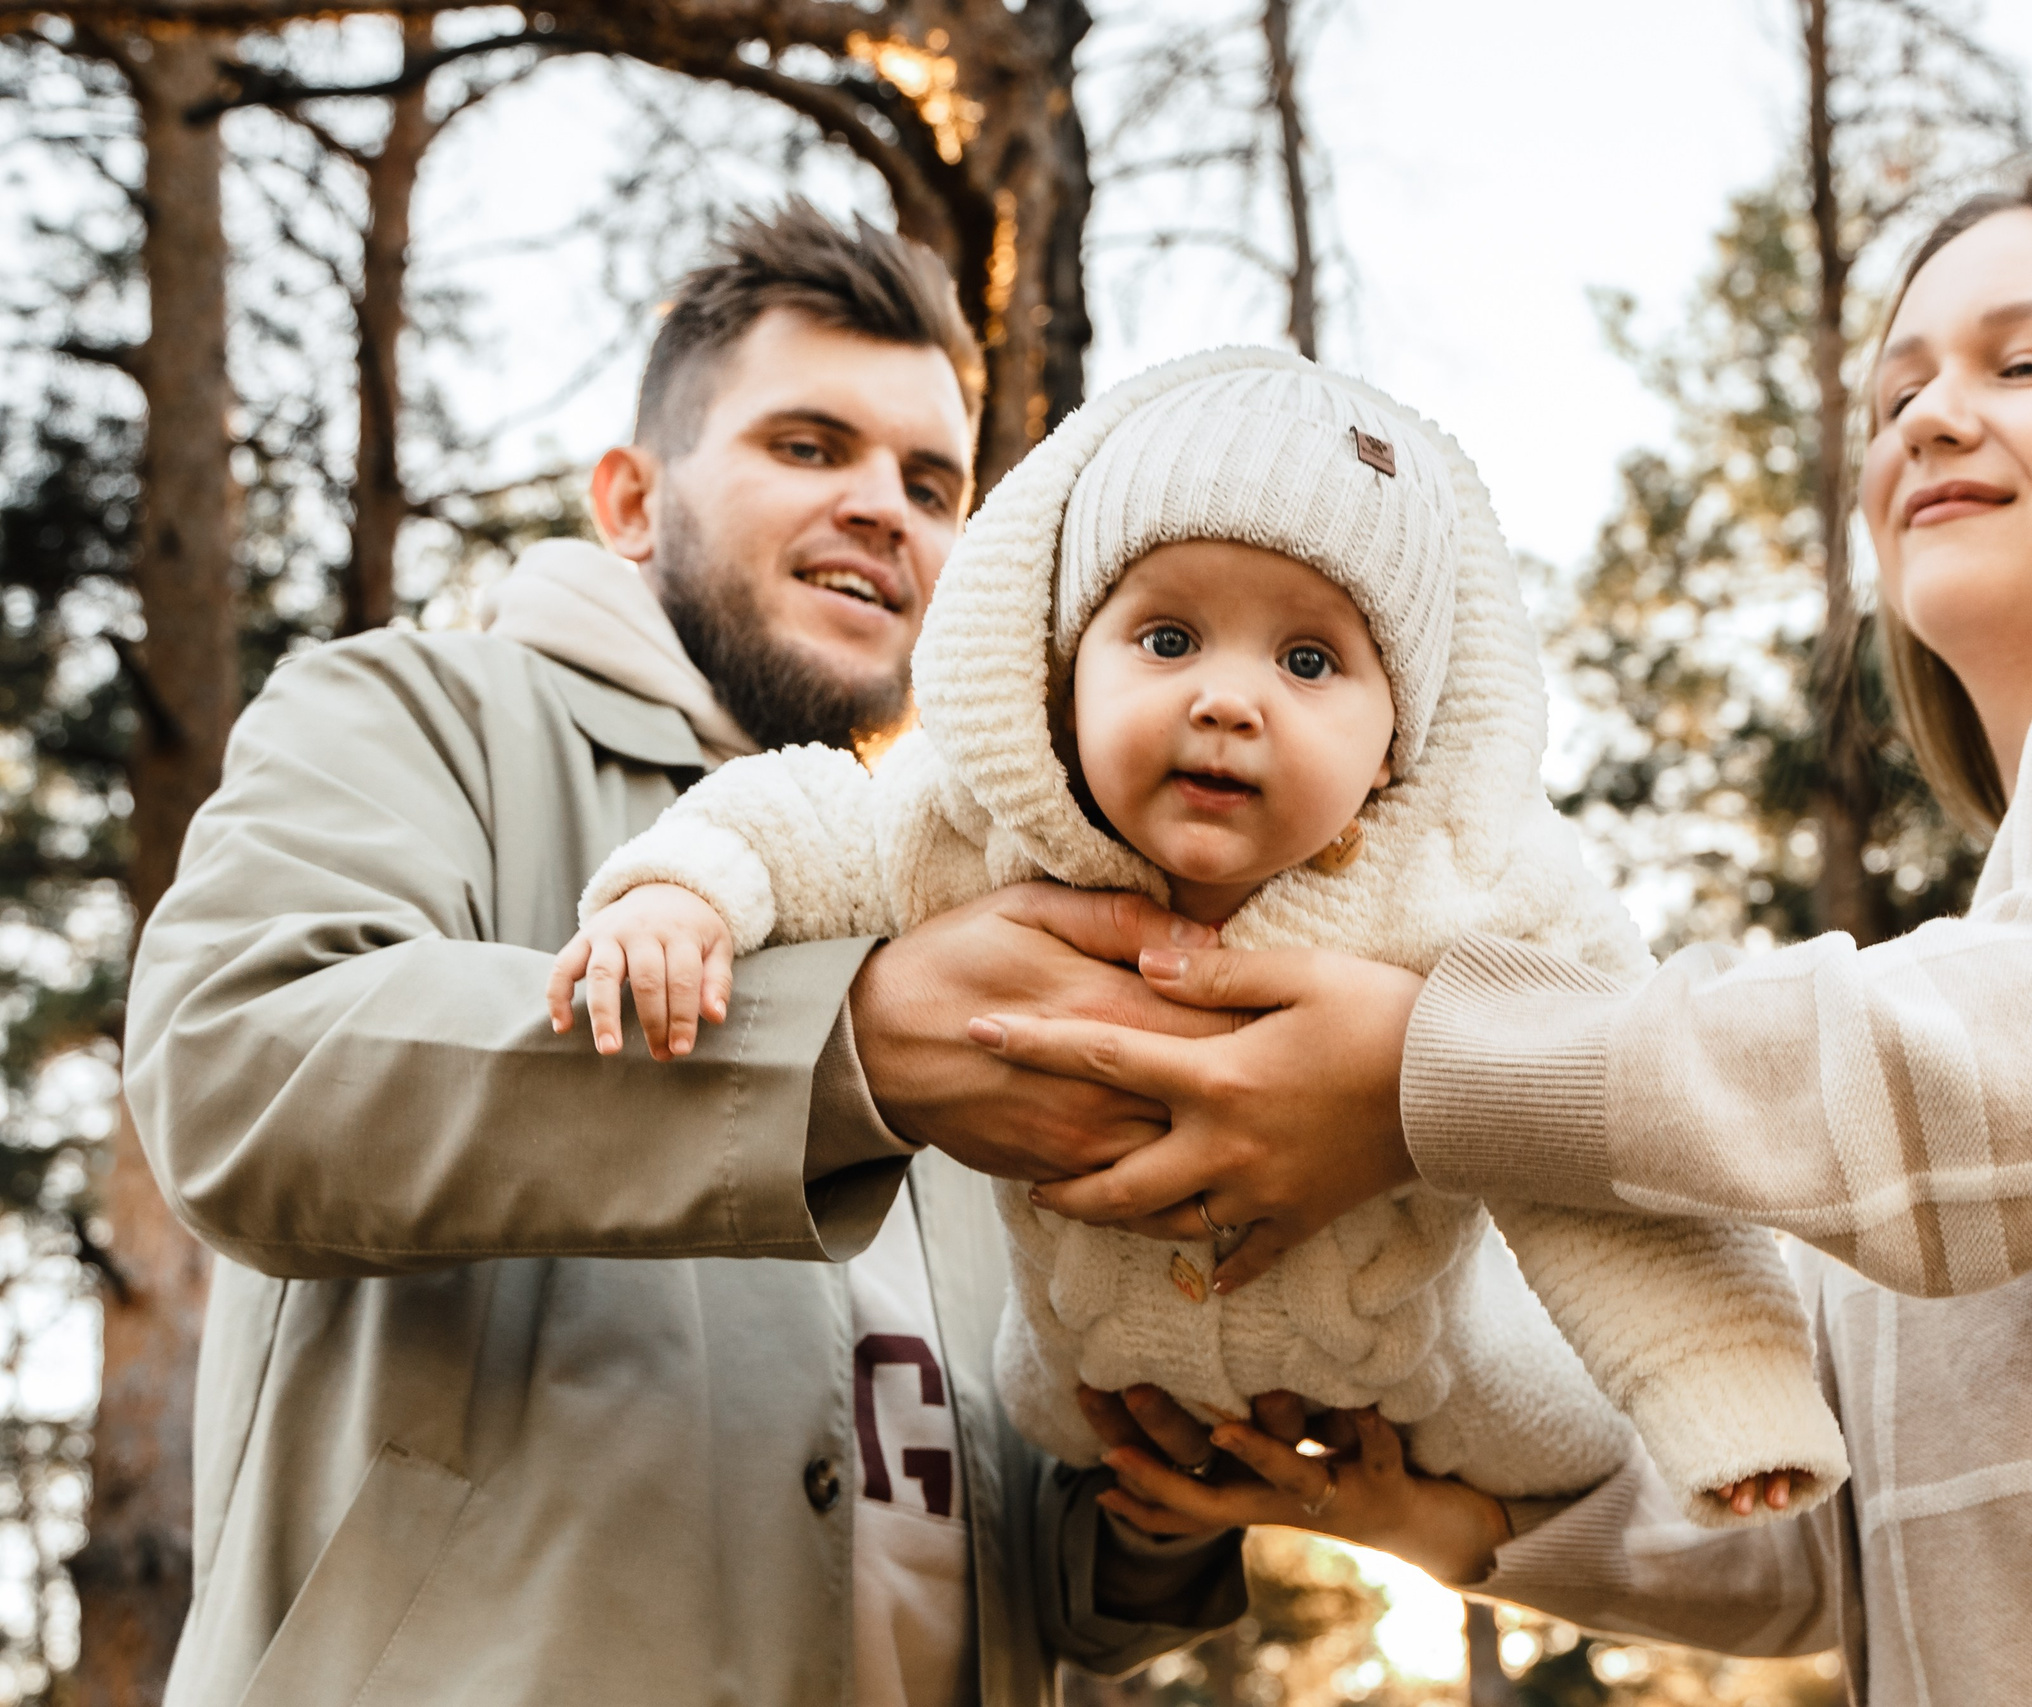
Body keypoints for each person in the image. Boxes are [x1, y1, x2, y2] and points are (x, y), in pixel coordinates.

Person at [960, 164, 2032, 1700]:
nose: (1929, 417)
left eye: (2028, 363)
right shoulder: (1998, 1017)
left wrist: (1434, 1075)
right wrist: (1418, 1509)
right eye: (1895, 393)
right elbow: (1863, 1529)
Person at [121, 202, 1248, 1707]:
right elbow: (240, 1065)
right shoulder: (412, 712)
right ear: (633, 501)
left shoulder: (964, 892)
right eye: (810, 445)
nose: (884, 509)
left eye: (930, 482)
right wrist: (850, 1054)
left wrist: (1160, 1511)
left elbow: (1028, 1570)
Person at [547, 350, 1847, 1540]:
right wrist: (677, 897)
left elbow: (1602, 1131)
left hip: (1404, 1362)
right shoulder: (976, 828)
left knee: (1565, 1439)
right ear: (1066, 673)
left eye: (1310, 661)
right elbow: (800, 818)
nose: (1228, 700)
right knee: (1064, 1441)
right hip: (1080, 1376)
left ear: (1395, 739)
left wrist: (1730, 1386)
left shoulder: (1469, 887)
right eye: (1166, 640)